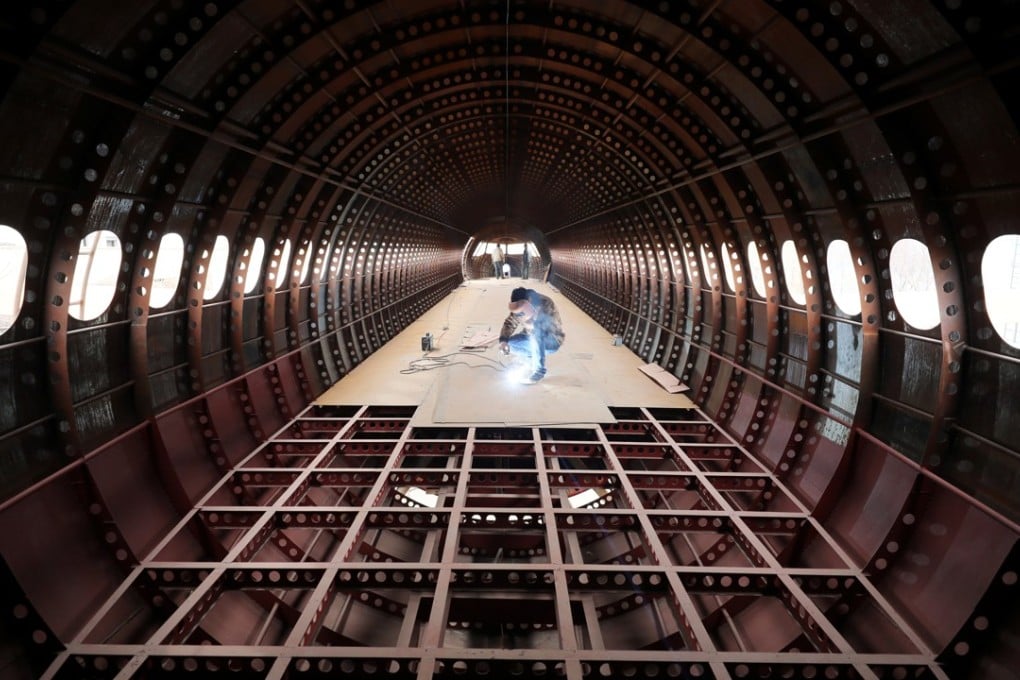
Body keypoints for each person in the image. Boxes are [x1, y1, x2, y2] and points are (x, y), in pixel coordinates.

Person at [498, 287, 565, 384]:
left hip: (551, 340)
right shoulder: (519, 304)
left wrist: (532, 320)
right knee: (509, 344)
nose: (519, 315)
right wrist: (503, 341)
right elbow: (510, 323)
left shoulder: (545, 303)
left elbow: (543, 329)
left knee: (536, 335)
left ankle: (539, 372)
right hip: (530, 336)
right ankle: (531, 357)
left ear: (529, 300)